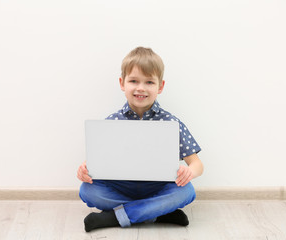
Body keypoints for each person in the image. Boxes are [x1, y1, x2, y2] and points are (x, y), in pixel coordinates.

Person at [77, 47, 204, 232]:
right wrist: (84, 170)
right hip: (121, 187)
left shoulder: (171, 123)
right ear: (122, 83)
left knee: (187, 191)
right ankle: (158, 212)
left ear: (160, 86)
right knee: (87, 190)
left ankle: (116, 217)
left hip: (158, 188)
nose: (141, 88)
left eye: (149, 82)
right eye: (134, 81)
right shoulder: (111, 122)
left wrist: (190, 172)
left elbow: (197, 164)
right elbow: (96, 163)